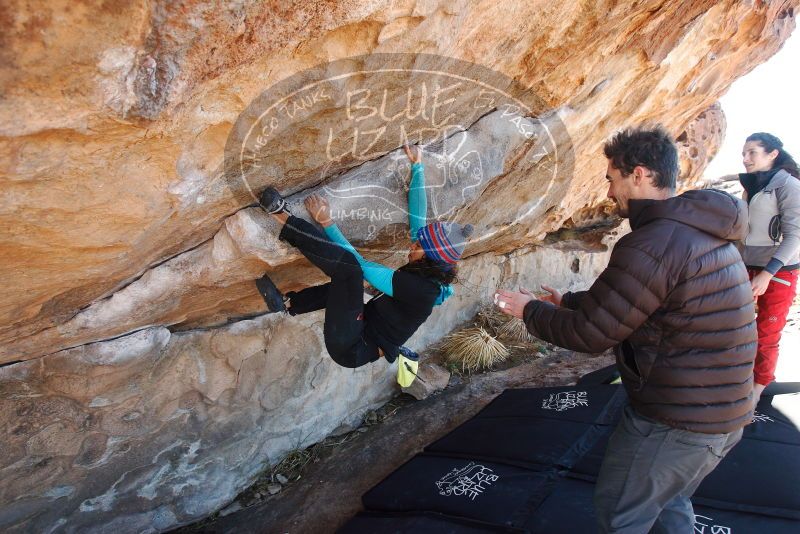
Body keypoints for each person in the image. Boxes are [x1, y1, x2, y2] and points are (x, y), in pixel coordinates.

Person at [494, 126, 756, 533]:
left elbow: (592, 334)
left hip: (676, 422)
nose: (609, 192)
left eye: (612, 178)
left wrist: (528, 311)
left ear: (639, 174)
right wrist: (566, 302)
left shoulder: (653, 242)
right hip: (722, 416)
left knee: (622, 517)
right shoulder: (703, 232)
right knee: (669, 503)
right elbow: (639, 303)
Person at [254, 144, 472, 379]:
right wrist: (418, 166)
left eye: (418, 247)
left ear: (431, 258)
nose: (412, 245)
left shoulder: (422, 291)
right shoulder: (429, 266)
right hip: (360, 325)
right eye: (417, 243)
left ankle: (282, 216)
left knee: (350, 273)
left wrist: (326, 221)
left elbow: (358, 265)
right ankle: (287, 304)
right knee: (351, 287)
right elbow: (417, 218)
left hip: (351, 346)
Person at [737, 133, 800, 403]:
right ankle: (737, 378)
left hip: (778, 271)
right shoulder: (751, 185)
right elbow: (742, 231)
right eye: (744, 152)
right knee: (737, 327)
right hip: (746, 266)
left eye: (752, 152)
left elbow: (795, 235)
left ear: (772, 154)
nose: (745, 158)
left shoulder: (788, 184)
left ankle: (759, 387)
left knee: (766, 332)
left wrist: (768, 273)